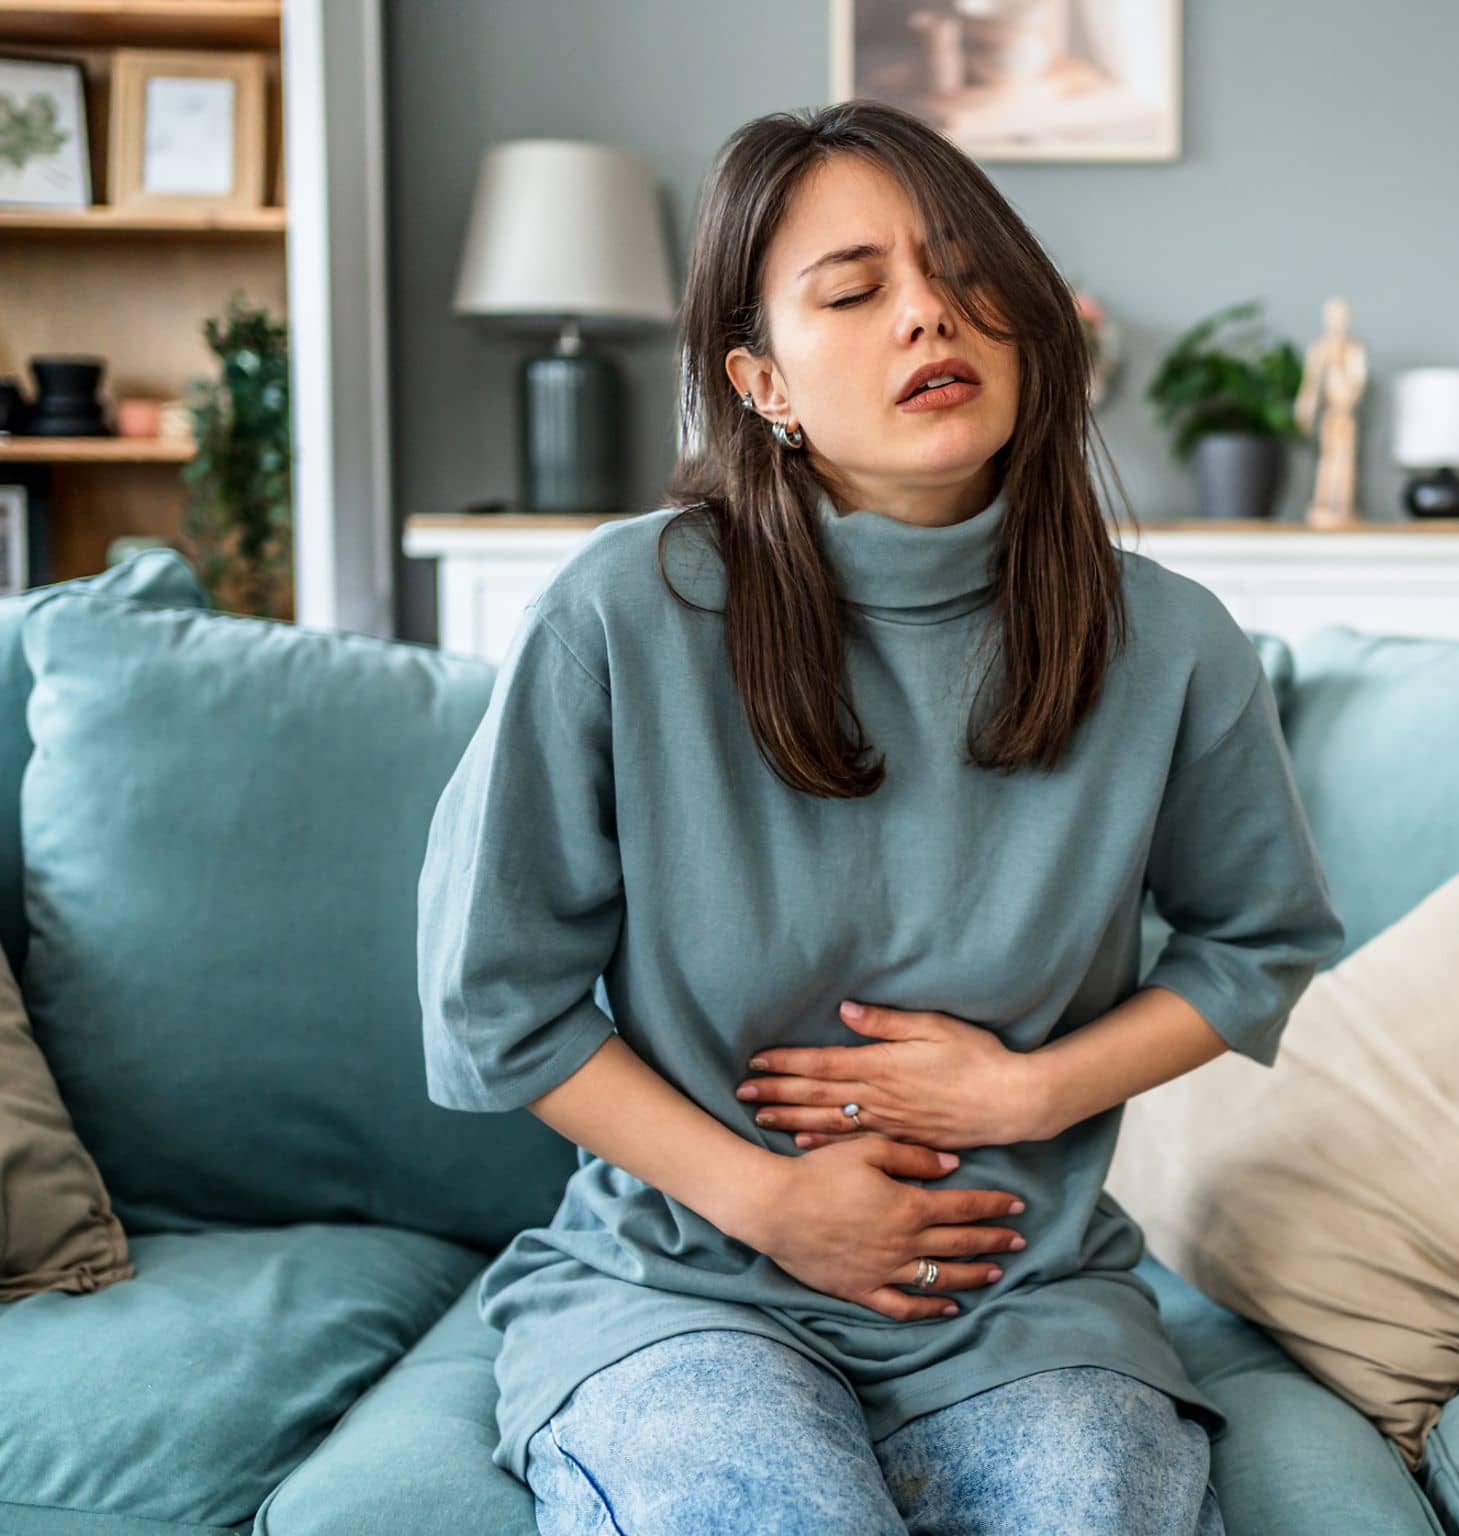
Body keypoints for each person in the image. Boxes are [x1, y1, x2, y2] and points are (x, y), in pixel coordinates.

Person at [415, 97, 1346, 1535]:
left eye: (967, 273)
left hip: (1024, 1305)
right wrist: (768, 1200)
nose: (929, 315)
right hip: (683, 1289)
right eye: (853, 291)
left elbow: (1262, 942)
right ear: (761, 381)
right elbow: (496, 1002)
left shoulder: (1168, 644)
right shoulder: (622, 611)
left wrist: (1034, 1091)